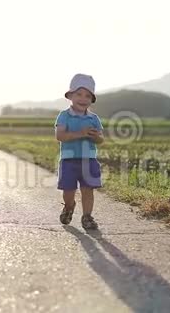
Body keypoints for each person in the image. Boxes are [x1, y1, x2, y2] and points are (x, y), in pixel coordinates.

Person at [55, 73, 104, 230]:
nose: (83, 99)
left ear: (91, 99)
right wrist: (81, 133)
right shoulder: (64, 116)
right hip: (69, 160)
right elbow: (60, 136)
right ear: (70, 96)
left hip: (89, 159)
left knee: (87, 190)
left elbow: (101, 139)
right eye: (79, 94)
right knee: (68, 191)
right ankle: (69, 206)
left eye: (87, 96)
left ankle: (87, 216)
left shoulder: (94, 119)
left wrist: (96, 136)